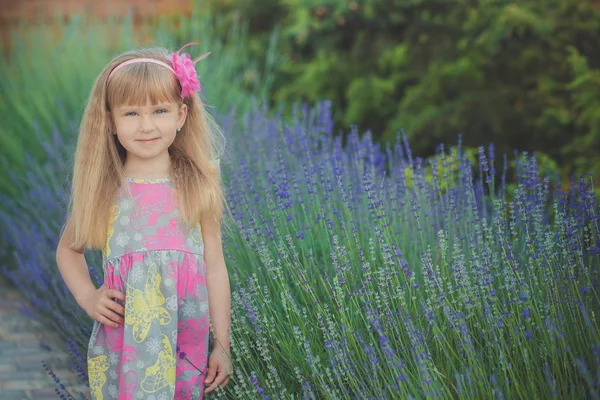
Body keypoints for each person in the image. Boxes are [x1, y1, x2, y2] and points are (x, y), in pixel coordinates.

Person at [55, 42, 233, 399]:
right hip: (129, 344)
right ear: (110, 121)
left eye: (160, 110)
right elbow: (67, 251)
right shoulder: (105, 188)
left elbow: (214, 266)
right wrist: (89, 298)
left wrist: (222, 344)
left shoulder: (199, 182)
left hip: (188, 338)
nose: (147, 125)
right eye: (131, 113)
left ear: (181, 115)